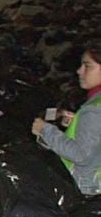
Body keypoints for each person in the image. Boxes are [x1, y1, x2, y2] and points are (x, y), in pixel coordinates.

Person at [35, 44, 101, 195]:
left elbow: (81, 155)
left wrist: (44, 129)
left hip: (89, 187)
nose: (79, 71)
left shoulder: (94, 110)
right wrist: (78, 124)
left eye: (87, 66)